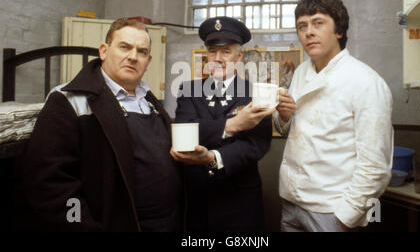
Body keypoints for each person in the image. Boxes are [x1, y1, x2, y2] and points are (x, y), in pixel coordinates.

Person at [15, 18, 183, 231]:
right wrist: (83, 225)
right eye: (124, 47)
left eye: (141, 52)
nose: (133, 57)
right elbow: (50, 185)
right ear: (104, 51)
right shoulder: (69, 99)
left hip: (167, 222)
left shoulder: (150, 101)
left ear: (148, 61)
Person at [274, 0, 393, 232]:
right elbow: (288, 128)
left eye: (318, 23)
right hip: (292, 202)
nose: (308, 32)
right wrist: (284, 116)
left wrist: (345, 218)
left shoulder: (365, 81)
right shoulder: (299, 73)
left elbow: (375, 166)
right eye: (302, 26)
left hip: (331, 211)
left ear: (338, 30)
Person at [170, 16, 273, 231]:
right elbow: (185, 133)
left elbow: (256, 143)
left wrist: (214, 158)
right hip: (199, 199)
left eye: (226, 51)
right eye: (212, 51)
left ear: (239, 56)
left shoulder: (255, 93)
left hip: (240, 201)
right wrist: (232, 126)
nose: (218, 58)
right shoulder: (189, 91)